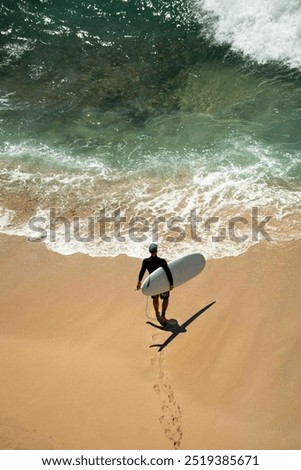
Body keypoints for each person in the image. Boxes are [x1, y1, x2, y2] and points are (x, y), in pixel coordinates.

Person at [136, 243, 174, 325]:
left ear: (149, 251)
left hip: (153, 284)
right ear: (156, 251)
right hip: (163, 283)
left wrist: (139, 282)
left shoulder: (146, 261)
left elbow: (142, 272)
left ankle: (157, 313)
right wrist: (171, 284)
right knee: (166, 298)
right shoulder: (162, 261)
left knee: (155, 298)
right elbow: (168, 272)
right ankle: (163, 315)